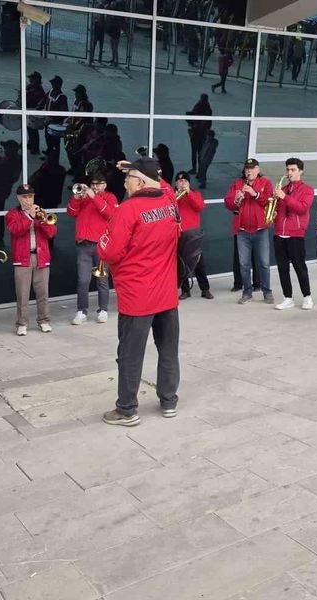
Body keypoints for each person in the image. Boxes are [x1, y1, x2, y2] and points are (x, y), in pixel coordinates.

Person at [99, 157, 180, 426]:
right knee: (168, 350)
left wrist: (103, 238)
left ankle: (126, 409)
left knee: (130, 356)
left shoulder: (128, 210)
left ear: (140, 181)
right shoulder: (169, 202)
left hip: (137, 297)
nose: (124, 181)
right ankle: (169, 401)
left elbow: (109, 250)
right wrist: (149, 171)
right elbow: (163, 186)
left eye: (128, 177)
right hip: (166, 295)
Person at [7, 184, 56, 336]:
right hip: (23, 259)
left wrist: (41, 220)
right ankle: (22, 323)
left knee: (43, 292)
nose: (28, 200)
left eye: (30, 196)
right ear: (18, 198)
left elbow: (51, 233)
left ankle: (44, 320)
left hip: (41, 257)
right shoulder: (12, 214)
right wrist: (29, 217)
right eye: (24, 197)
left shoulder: (41, 213)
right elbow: (15, 230)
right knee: (22, 294)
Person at [67, 171, 115, 324]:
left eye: (98, 184)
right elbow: (71, 212)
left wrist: (94, 197)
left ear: (104, 185)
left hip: (101, 245)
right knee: (83, 280)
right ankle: (81, 311)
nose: (95, 186)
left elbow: (109, 214)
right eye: (93, 184)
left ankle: (103, 310)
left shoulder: (109, 197)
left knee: (102, 279)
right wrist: (76, 198)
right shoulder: (84, 198)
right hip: (83, 244)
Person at [225, 158, 274, 304]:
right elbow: (227, 203)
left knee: (264, 263)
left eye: (252, 168)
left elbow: (269, 200)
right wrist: (236, 199)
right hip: (242, 231)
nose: (249, 171)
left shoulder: (265, 182)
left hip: (260, 230)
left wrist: (255, 194)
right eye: (247, 169)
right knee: (244, 264)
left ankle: (267, 292)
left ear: (258, 170)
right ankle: (247, 292)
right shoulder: (237, 184)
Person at [272, 158, 314, 310]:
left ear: (300, 171)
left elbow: (302, 208)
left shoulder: (307, 189)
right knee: (282, 268)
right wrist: (273, 213)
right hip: (279, 233)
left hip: (295, 233)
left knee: (299, 266)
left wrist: (284, 197)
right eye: (288, 170)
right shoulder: (282, 189)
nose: (289, 173)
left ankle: (307, 297)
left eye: (293, 170)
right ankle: (287, 297)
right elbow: (279, 210)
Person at [175, 172, 213, 300]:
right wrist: (176, 196)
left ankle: (205, 289)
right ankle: (185, 290)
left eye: (185, 181)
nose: (182, 183)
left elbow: (200, 206)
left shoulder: (195, 194)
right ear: (176, 183)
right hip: (178, 234)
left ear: (189, 183)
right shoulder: (172, 195)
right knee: (181, 264)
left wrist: (188, 193)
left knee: (198, 262)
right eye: (180, 181)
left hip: (193, 235)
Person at [186, 94, 212, 174]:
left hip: (198, 133)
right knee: (199, 153)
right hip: (200, 133)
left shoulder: (200, 107)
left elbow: (203, 122)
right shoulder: (206, 108)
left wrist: (193, 124)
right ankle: (198, 169)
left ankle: (196, 169)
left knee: (197, 153)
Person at [44, 76, 69, 157]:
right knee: (47, 138)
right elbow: (45, 98)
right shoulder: (51, 91)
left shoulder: (62, 97)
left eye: (53, 83)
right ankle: (49, 154)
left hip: (55, 123)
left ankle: (54, 159)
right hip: (48, 121)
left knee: (55, 142)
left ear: (58, 84)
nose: (52, 85)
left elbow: (64, 113)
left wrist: (53, 119)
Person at [25, 71, 46, 155]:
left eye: (32, 78)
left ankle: (35, 147)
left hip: (34, 110)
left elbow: (37, 100)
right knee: (29, 128)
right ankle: (30, 143)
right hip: (28, 109)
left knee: (33, 129)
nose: (30, 79)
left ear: (37, 80)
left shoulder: (39, 89)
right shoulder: (30, 86)